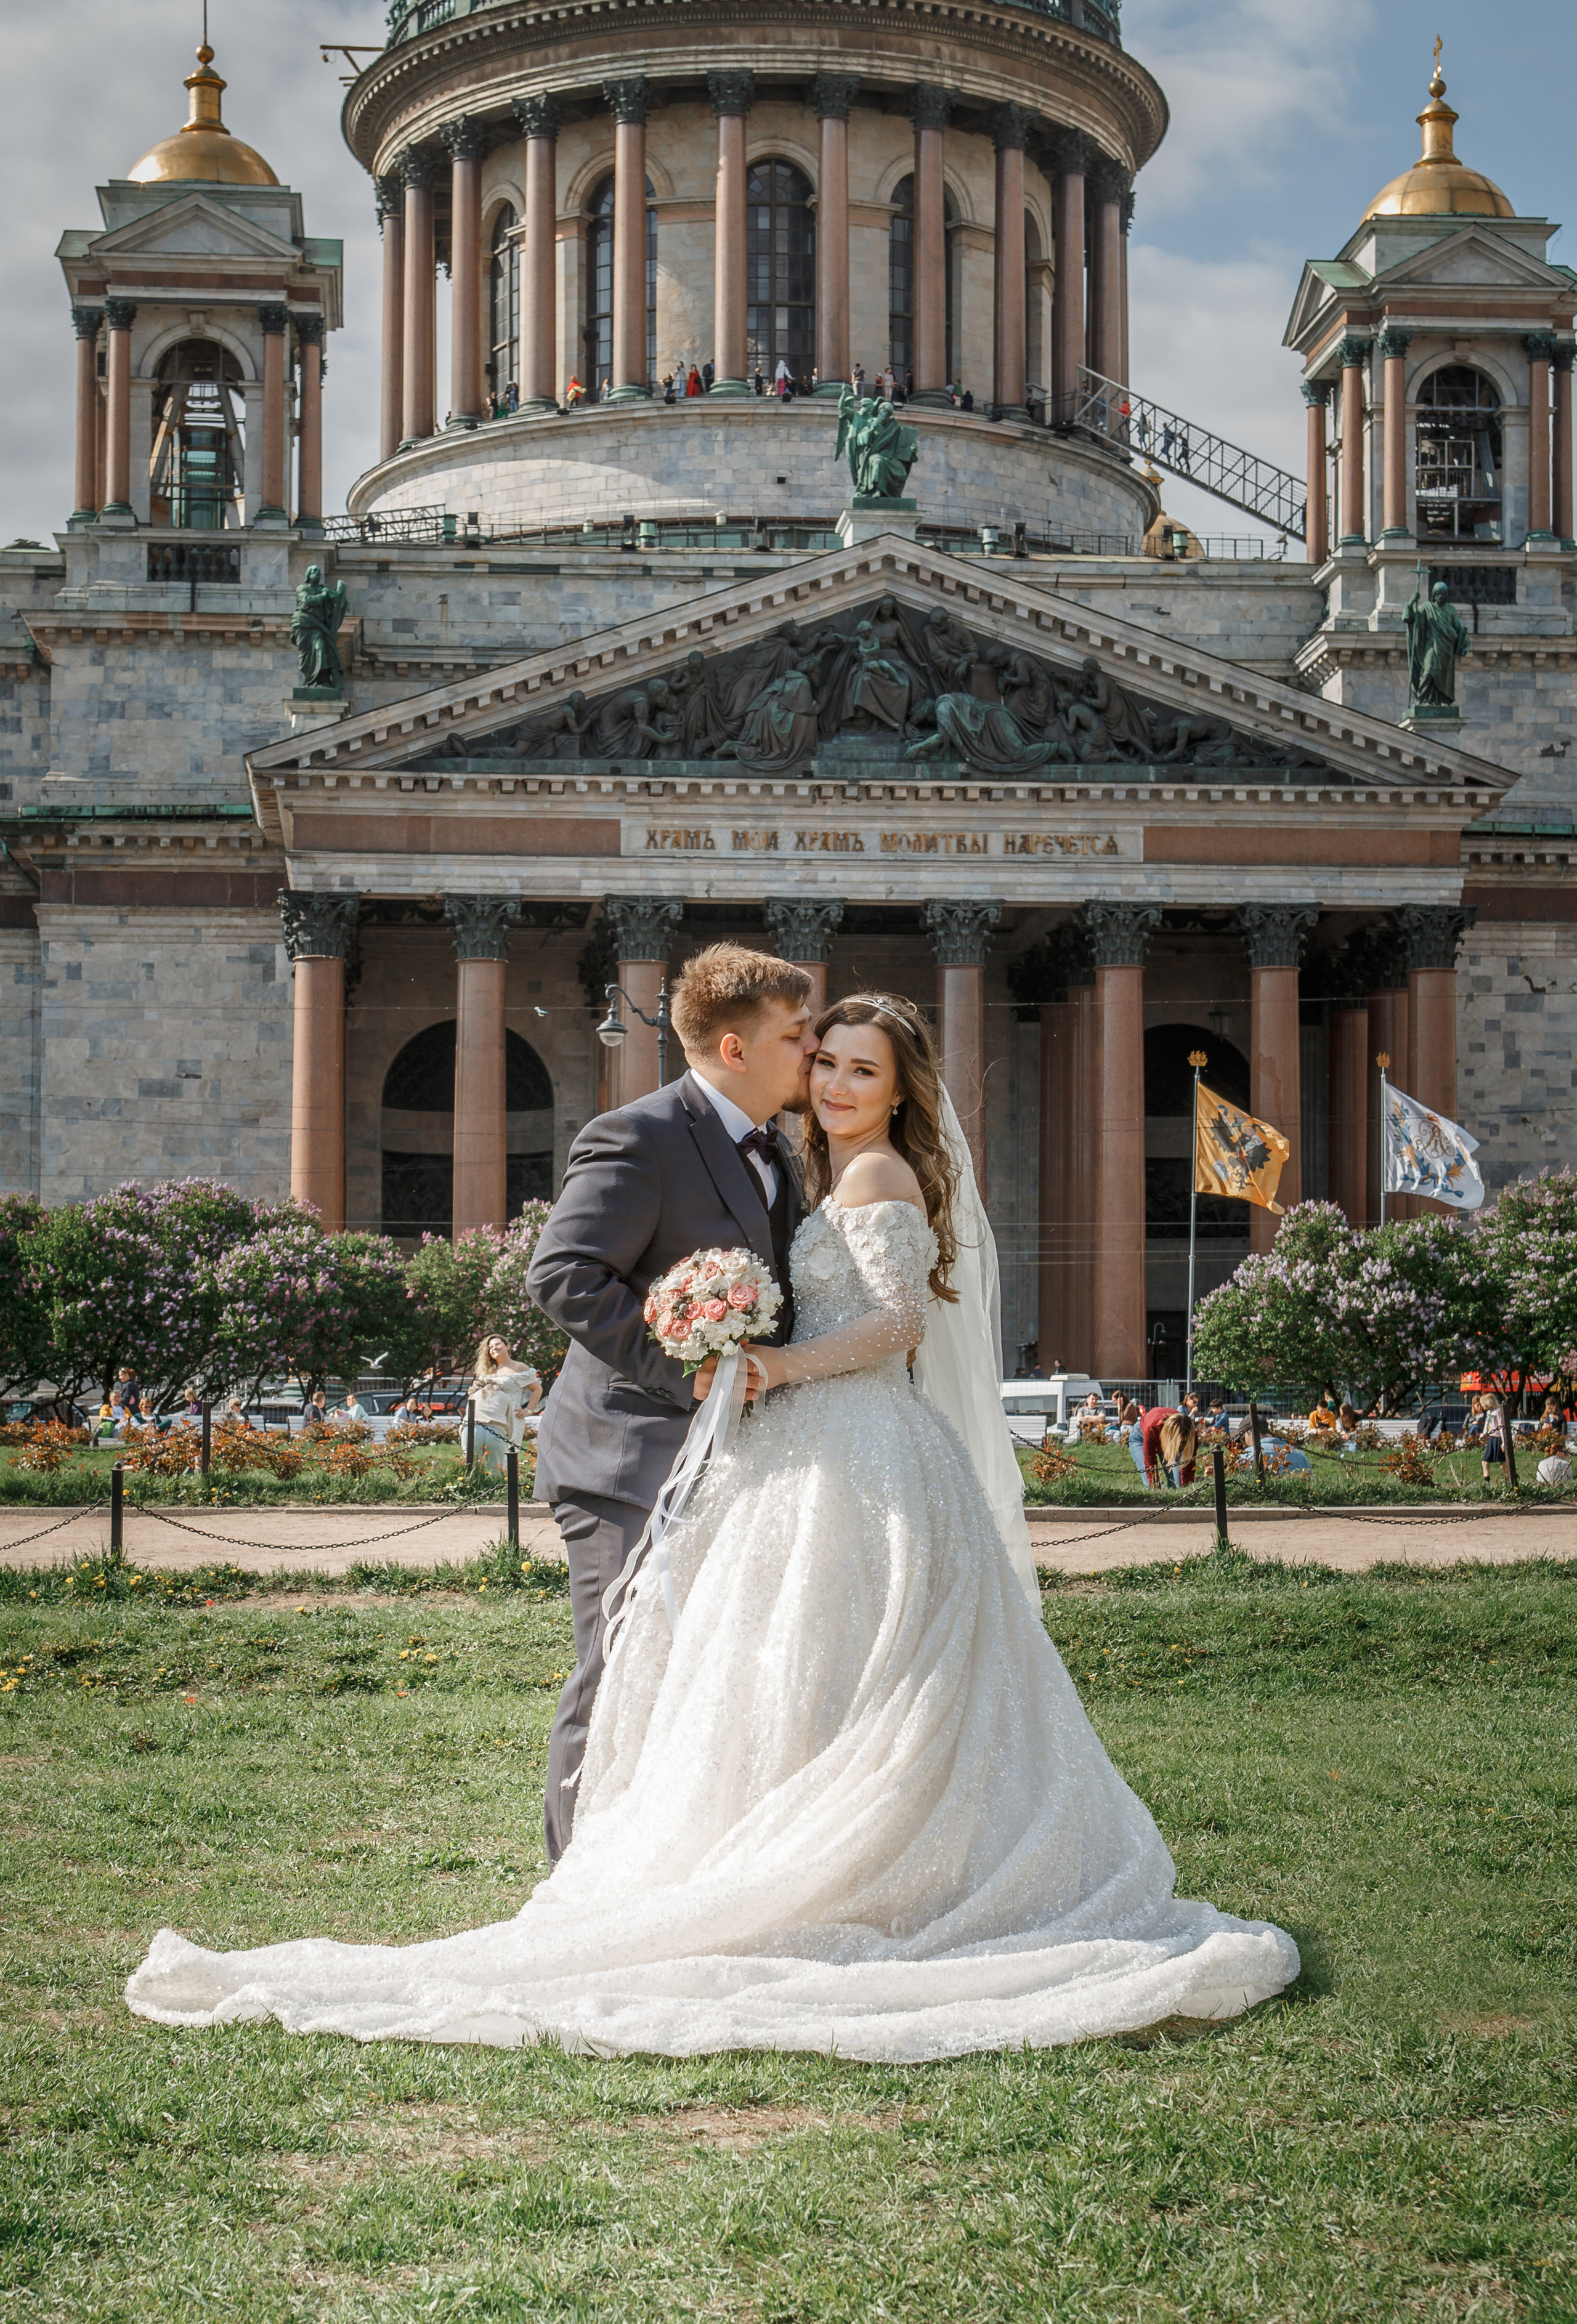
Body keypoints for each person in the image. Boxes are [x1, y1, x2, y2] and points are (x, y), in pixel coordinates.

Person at [126, 987, 1297, 2057]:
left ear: (900, 1091)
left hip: (857, 1449)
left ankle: (845, 1882)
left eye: (857, 1070)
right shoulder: (805, 1171)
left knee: (856, 1675)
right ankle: (726, 1873)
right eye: (823, 1060)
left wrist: (776, 1363)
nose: (832, 1083)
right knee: (770, 1671)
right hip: (789, 1458)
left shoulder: (875, 1177)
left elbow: (894, 1323)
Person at [471, 1336, 541, 1473]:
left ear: (507, 1346)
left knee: (508, 1453)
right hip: (490, 1418)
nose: (494, 1348)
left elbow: (537, 1389)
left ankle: (507, 1487)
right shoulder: (488, 1371)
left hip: (512, 1418)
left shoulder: (519, 1367)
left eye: (497, 1344)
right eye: (490, 1347)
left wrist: (528, 1410)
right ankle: (490, 1484)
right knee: (489, 1454)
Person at [1139, 1407, 1196, 1489]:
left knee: (1178, 1486)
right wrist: (1156, 1487)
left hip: (1168, 1439)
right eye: (1181, 1443)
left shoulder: (1190, 1434)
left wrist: (1187, 1489)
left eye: (1184, 1443)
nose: (1182, 1448)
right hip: (1141, 1435)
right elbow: (1150, 1463)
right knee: (1151, 1485)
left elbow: (1190, 1465)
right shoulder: (1153, 1428)